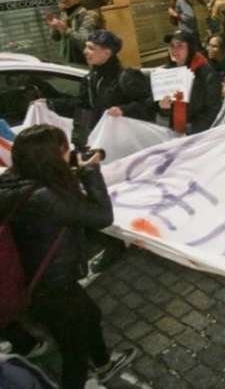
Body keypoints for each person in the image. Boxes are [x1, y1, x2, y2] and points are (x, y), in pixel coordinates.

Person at [0, 125, 137, 389]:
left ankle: (104, 363)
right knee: (74, 351)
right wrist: (90, 171)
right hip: (52, 286)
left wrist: (72, 168)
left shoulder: (12, 181)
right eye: (64, 151)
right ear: (51, 159)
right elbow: (101, 216)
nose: (69, 155)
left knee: (90, 313)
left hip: (30, 276)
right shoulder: (45, 198)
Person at [157, 30, 222, 134]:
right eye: (172, 46)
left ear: (190, 48)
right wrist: (165, 107)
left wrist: (190, 130)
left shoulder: (207, 74)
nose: (174, 50)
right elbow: (164, 111)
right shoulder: (167, 73)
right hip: (175, 132)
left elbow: (212, 110)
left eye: (180, 46)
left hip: (200, 134)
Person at [48, 0, 105, 65]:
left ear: (77, 0)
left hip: (85, 62)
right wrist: (54, 27)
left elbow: (85, 42)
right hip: (69, 61)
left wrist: (66, 30)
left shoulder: (86, 16)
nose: (64, 0)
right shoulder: (64, 15)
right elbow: (55, 38)